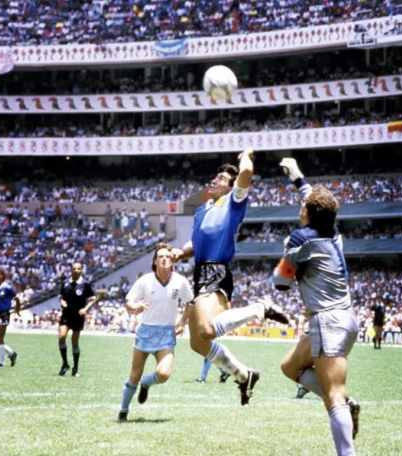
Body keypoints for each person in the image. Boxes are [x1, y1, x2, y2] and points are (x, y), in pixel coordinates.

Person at [172, 148, 289, 406]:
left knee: (206, 329)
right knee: (198, 344)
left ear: (231, 187)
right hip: (200, 272)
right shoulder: (201, 210)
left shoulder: (233, 202)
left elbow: (246, 171)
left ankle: (260, 308)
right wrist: (180, 253)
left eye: (222, 179)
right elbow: (197, 242)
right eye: (215, 177)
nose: (215, 180)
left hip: (216, 269)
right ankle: (244, 375)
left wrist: (245, 155)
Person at [274, 158, 360, 456]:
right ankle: (346, 407)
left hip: (327, 321)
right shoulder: (333, 231)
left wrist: (288, 252)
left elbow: (280, 283)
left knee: (333, 396)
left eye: (303, 206)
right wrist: (298, 178)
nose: (301, 207)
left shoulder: (299, 239)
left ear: (307, 214)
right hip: (342, 317)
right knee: (290, 367)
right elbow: (316, 203)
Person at [118, 243, 191, 422]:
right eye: (161, 257)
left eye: (168, 256)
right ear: (155, 261)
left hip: (166, 333)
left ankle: (146, 383)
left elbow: (190, 301)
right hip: (146, 331)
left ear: (172, 261)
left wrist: (183, 321)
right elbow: (129, 302)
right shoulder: (145, 280)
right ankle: (123, 412)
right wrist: (135, 306)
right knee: (134, 375)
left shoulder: (180, 281)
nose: (164, 259)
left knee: (164, 374)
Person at [58, 262, 97, 377]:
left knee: (74, 342)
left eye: (78, 269)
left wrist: (85, 309)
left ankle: (75, 368)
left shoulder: (85, 284)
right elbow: (61, 296)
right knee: (62, 337)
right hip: (66, 314)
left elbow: (93, 299)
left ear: (81, 270)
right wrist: (62, 302)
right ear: (71, 270)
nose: (76, 270)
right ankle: (65, 364)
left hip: (78, 316)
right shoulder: (65, 283)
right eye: (74, 268)